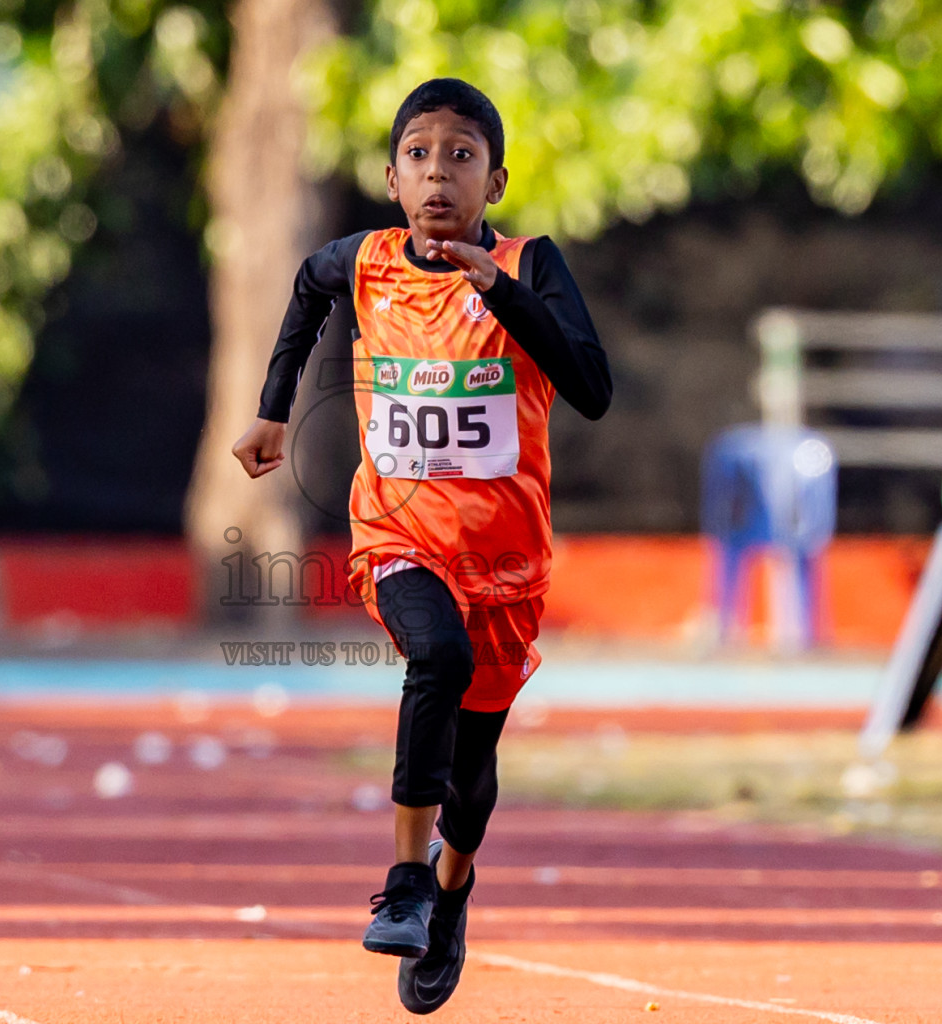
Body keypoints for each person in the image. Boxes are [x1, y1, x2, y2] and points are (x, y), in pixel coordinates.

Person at [231, 78, 610, 1013]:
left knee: (472, 781)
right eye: (418, 155)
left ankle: (450, 888)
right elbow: (306, 289)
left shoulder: (531, 265)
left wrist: (499, 292)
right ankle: (404, 882)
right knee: (432, 657)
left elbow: (592, 386)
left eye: (461, 156)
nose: (438, 172)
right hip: (399, 535)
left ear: (497, 181)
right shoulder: (362, 262)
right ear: (392, 179)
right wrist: (272, 412)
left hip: (510, 562)